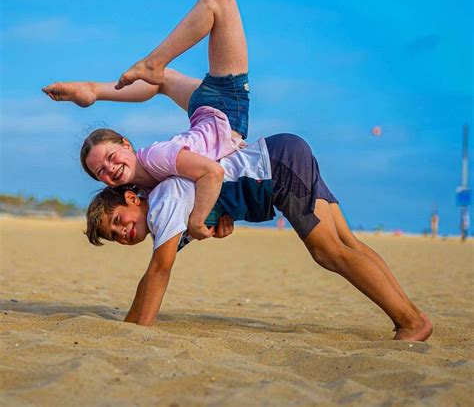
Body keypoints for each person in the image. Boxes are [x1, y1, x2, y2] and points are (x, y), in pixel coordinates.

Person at [86, 133, 432, 342]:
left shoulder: (162, 199)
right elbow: (168, 257)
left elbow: (159, 270)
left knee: (328, 252)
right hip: (283, 153)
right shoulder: (165, 205)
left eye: (117, 221)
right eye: (113, 236)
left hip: (276, 167)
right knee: (347, 243)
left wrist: (135, 328)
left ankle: (411, 323)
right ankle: (412, 317)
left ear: (132, 197)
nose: (121, 233)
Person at [43, 0, 249, 239]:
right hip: (205, 114)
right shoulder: (150, 194)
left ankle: (147, 65)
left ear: (126, 145)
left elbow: (209, 176)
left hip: (224, 110)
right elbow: (190, 204)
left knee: (219, 1)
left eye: (110, 156)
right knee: (163, 82)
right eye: (102, 172)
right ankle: (94, 90)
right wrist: (215, 224)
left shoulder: (154, 159)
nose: (111, 168)